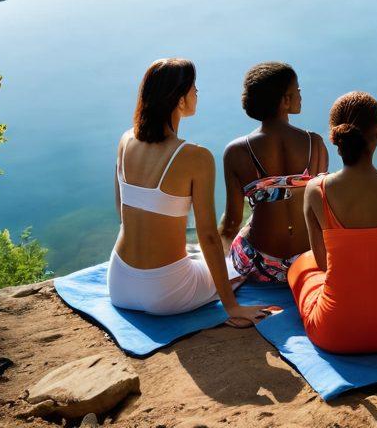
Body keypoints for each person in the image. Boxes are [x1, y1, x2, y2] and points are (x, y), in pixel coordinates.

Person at [108, 58, 275, 324]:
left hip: (119, 282)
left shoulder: (125, 140)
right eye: (194, 88)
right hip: (165, 292)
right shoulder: (196, 157)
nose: (197, 93)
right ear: (180, 100)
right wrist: (231, 307)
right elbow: (208, 236)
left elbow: (122, 209)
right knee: (239, 266)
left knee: (194, 255)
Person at [289, 91, 377, 354]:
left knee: (302, 263)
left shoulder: (316, 190)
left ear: (336, 138)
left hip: (333, 333)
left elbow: (323, 264)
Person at [219, 62, 328, 283]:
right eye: (297, 90)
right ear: (285, 100)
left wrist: (218, 256)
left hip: (258, 264)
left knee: (246, 223)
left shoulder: (237, 151)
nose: (300, 95)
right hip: (307, 260)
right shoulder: (314, 143)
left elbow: (231, 222)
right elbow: (320, 209)